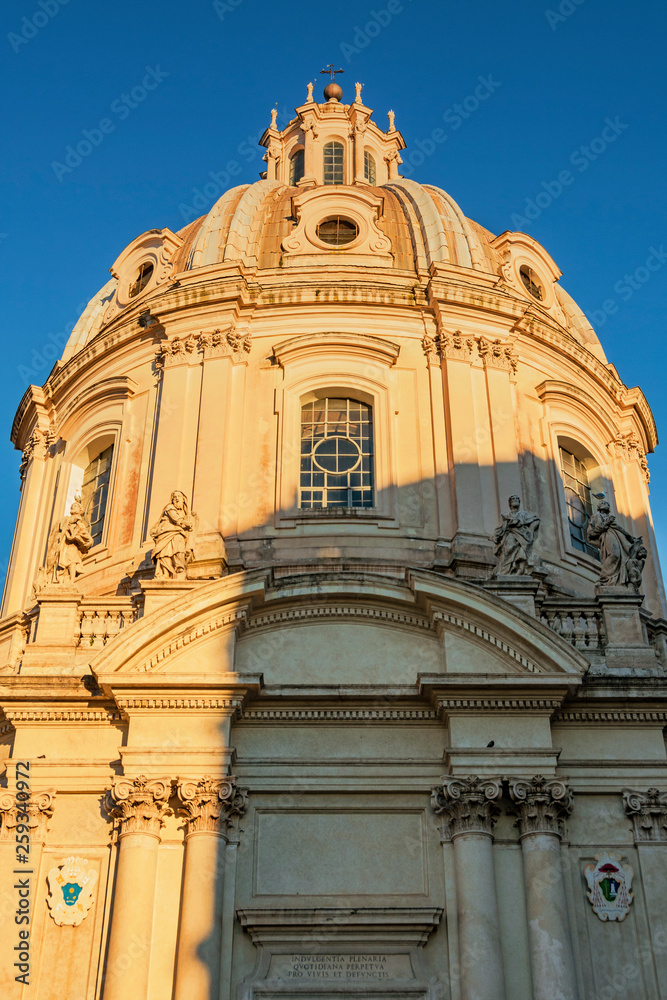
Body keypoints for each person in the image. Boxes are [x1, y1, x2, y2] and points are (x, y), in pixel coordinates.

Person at [586, 499, 646, 591]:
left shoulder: (610, 518)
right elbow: (591, 533)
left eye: (607, 504)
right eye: (602, 503)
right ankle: (603, 579)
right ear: (599, 507)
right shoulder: (596, 516)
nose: (605, 505)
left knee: (622, 557)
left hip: (617, 537)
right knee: (614, 555)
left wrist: (629, 537)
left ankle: (616, 580)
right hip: (606, 536)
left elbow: (619, 528)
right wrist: (606, 523)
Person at [44, 498, 94, 585]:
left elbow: (88, 539)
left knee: (72, 561)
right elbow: (57, 532)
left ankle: (71, 581)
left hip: (72, 546)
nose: (72, 507)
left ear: (80, 510)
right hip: (63, 545)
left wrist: (80, 540)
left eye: (75, 506)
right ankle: (59, 578)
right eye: (71, 506)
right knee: (60, 560)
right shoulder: (65, 520)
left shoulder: (80, 525)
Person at [150, 490, 195, 579]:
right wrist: (186, 523)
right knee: (164, 552)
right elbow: (176, 518)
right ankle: (166, 573)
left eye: (178, 496)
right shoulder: (169, 507)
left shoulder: (185, 513)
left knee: (178, 544)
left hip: (176, 532)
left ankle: (179, 567)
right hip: (166, 531)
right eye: (174, 497)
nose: (176, 498)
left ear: (183, 500)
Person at [493, 495, 540, 576]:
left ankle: (519, 569)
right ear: (510, 503)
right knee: (508, 549)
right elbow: (500, 528)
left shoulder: (524, 514)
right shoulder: (506, 515)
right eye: (513, 499)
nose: (515, 500)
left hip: (523, 536)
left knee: (522, 552)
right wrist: (496, 537)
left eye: (517, 499)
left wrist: (530, 530)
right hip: (511, 535)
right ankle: (505, 571)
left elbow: (536, 520)